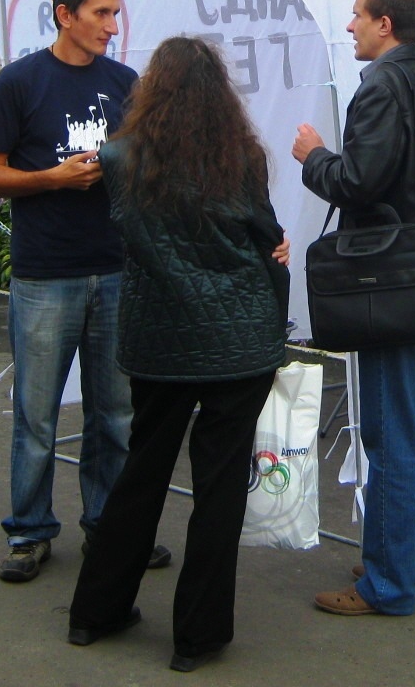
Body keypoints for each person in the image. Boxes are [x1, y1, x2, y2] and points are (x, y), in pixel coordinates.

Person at [67, 36, 291, 674]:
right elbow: (266, 235)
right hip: (238, 338)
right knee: (219, 489)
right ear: (220, 95)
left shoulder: (121, 158)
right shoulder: (242, 156)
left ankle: (95, 613)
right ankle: (196, 637)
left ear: (153, 90)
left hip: (160, 337)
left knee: (141, 472)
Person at [0, 0, 169, 582]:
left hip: (115, 269)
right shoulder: (20, 81)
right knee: (36, 415)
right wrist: (52, 179)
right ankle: (29, 532)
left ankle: (108, 530)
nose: (112, 26)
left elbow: (147, 168)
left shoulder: (124, 84)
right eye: (101, 14)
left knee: (115, 416)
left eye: (115, 14)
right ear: (65, 15)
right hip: (45, 274)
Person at [291, 0, 415, 618]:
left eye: (358, 14)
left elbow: (359, 182)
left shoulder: (380, 87)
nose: (350, 24)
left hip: (392, 286)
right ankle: (414, 567)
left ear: (384, 24)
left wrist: (313, 156)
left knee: (391, 439)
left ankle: (388, 585)